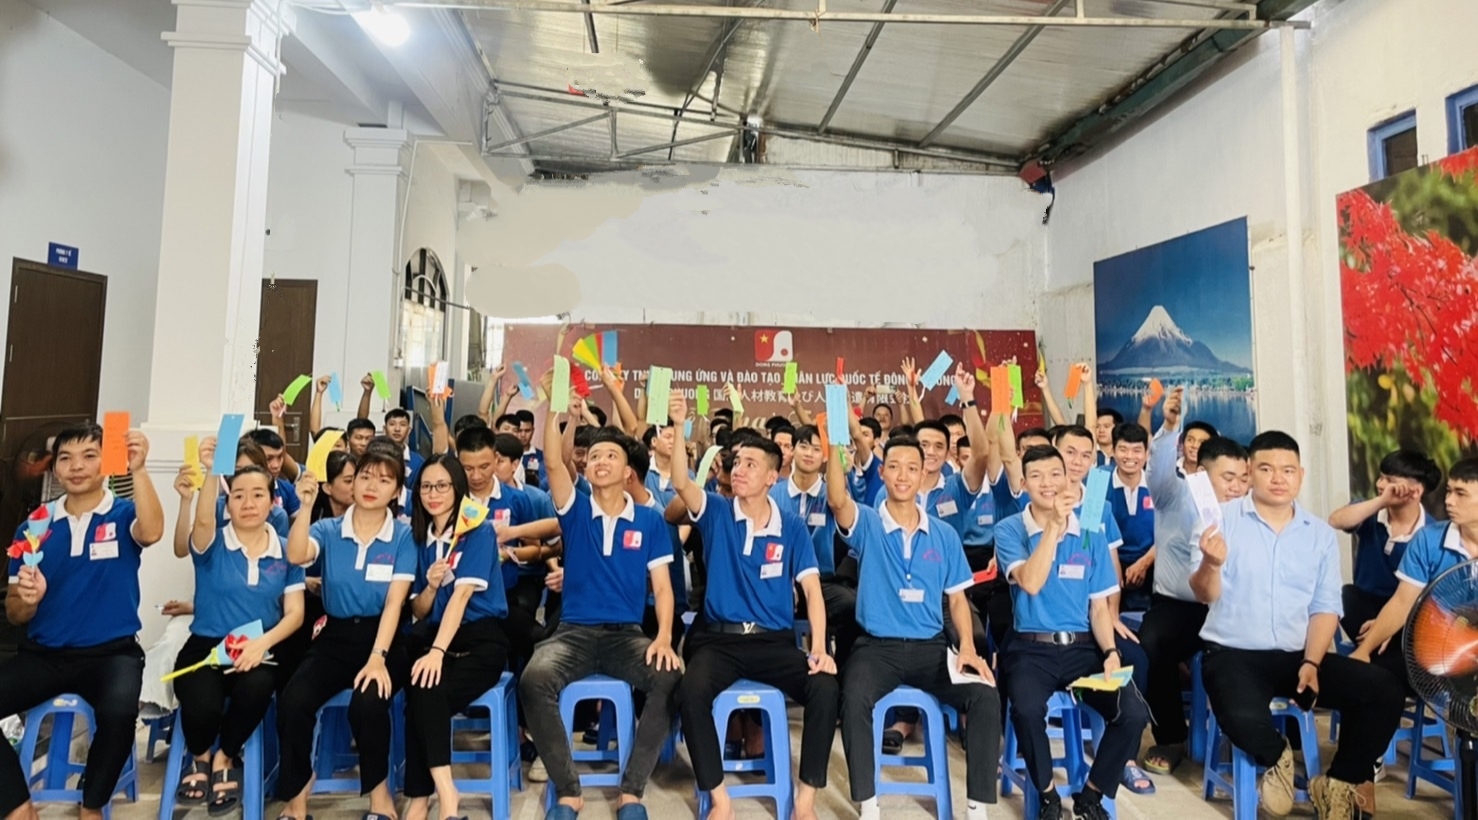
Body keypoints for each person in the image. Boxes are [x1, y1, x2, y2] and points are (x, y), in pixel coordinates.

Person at [1192, 431, 1404, 820]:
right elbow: (1205, 593)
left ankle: (1339, 782)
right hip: (1233, 654)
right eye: (1267, 469)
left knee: (1384, 690)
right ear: (1250, 472)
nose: (1278, 478)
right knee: (1241, 718)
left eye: (1288, 470)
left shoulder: (1318, 534)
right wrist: (1211, 563)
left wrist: (1312, 662)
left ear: (1300, 475)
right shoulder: (1219, 521)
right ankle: (1277, 756)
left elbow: (1325, 607)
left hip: (1297, 656)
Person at [667, 396, 838, 820]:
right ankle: (719, 798)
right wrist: (679, 424)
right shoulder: (717, 512)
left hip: (773, 642)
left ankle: (805, 800)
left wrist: (819, 648)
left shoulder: (791, 526)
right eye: (736, 463)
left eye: (750, 464)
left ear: (772, 477)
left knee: (825, 686)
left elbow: (812, 591)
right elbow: (681, 483)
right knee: (691, 691)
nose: (739, 470)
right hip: (719, 641)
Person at [520, 399, 682, 820]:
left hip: (627, 636)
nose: (601, 461)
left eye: (611, 455)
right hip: (572, 633)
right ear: (586, 468)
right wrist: (559, 411)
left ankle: (631, 792)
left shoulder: (649, 521)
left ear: (628, 471)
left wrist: (664, 637)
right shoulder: (574, 510)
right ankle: (568, 793)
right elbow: (553, 463)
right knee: (534, 679)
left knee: (670, 677)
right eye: (594, 456)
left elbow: (662, 588)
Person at [825, 432, 1000, 820]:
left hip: (931, 649)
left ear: (924, 474)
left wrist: (967, 648)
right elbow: (837, 500)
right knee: (853, 698)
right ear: (882, 473)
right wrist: (835, 445)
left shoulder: (944, 535)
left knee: (985, 694)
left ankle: (977, 806)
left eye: (911, 468)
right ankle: (868, 802)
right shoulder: (869, 523)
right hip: (877, 649)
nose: (902, 476)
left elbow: (958, 599)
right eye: (894, 467)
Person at [0, 423, 164, 820]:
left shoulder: (123, 514)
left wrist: (139, 469)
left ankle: (92, 807)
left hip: (112, 655)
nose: (76, 467)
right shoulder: (34, 526)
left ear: (107, 463)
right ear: (55, 468)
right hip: (43, 655)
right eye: (66, 459)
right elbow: (14, 611)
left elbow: (152, 532)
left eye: (89, 456)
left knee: (120, 713)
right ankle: (18, 806)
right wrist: (27, 600)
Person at [995, 445, 1149, 820]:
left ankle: (1091, 795)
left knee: (1132, 712)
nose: (1047, 483)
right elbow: (1031, 582)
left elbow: (1099, 608)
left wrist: (1110, 652)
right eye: (1036, 476)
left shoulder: (1090, 530)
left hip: (1083, 649)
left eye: (1055, 474)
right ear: (1023, 483)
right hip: (1031, 648)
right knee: (1027, 710)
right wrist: (1051, 528)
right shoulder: (1009, 529)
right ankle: (1047, 795)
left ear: (1068, 479)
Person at [276, 450, 416, 820]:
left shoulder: (403, 536)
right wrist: (306, 506)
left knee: (367, 704)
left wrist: (378, 658)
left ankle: (380, 798)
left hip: (384, 639)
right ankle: (296, 801)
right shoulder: (329, 529)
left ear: (397, 491)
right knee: (293, 702)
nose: (372, 486)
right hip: (335, 637)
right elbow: (296, 555)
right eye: (364, 477)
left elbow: (395, 603)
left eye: (384, 480)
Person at [171, 442, 305, 815]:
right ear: (227, 504)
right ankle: (200, 755)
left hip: (258, 648)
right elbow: (201, 524)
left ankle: (225, 758)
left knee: (258, 687)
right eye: (239, 495)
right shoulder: (212, 544)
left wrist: (262, 644)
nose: (248, 503)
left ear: (272, 502)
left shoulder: (287, 550)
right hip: (206, 647)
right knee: (202, 704)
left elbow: (294, 614)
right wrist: (212, 469)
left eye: (258, 494)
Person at [402, 454, 511, 820]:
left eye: (442, 486)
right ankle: (442, 793)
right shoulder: (417, 538)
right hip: (437, 635)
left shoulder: (478, 532)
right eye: (426, 487)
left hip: (480, 639)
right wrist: (431, 587)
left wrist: (436, 652)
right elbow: (419, 609)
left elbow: (462, 597)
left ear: (457, 488)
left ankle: (424, 799)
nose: (433, 494)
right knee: (422, 689)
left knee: (422, 696)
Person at [1137, 435, 1248, 775]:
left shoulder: (1253, 513)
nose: (1237, 487)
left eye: (1243, 478)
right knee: (1152, 643)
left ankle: (1253, 735)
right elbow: (1157, 468)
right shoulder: (1174, 494)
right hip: (1181, 606)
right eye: (1228, 478)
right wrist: (1170, 426)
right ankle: (1171, 737)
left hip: (1234, 607)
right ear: (1201, 474)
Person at [1353, 455, 1478, 673]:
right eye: (1448, 491)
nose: (1449, 501)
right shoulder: (1428, 540)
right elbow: (1403, 601)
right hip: (1439, 647)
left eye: (1460, 493)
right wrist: (1364, 650)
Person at [1328, 449, 1440, 682]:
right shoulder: (1371, 512)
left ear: (1416, 491)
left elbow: (1425, 601)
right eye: (1380, 478)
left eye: (1390, 481)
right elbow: (1336, 520)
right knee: (1346, 595)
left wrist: (1387, 626)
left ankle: (1372, 671)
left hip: (1407, 616)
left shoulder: (1431, 534)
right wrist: (1381, 501)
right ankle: (1382, 669)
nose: (1380, 485)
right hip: (1364, 609)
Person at [1106, 423, 1154, 613]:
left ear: (1147, 454)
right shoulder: (1098, 479)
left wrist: (1144, 563)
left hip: (1153, 561)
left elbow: (1171, 532)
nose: (1130, 456)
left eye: (1137, 450)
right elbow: (1089, 534)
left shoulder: (1158, 482)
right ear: (1112, 451)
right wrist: (1113, 568)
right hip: (1109, 561)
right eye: (1123, 449)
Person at [246, 428, 302, 519]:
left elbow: (299, 522)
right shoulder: (236, 490)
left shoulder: (287, 488)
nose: (276, 465)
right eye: (268, 459)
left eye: (279, 457)